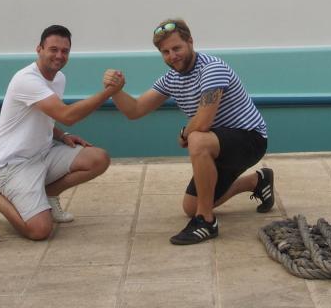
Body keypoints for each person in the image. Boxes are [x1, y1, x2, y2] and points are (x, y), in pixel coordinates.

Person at [104, 18, 274, 245]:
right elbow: (135, 110)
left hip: (249, 138)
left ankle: (206, 222)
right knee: (190, 206)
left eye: (177, 48)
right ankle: (256, 181)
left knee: (197, 139)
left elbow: (203, 121)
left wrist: (185, 133)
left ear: (190, 42)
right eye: (165, 52)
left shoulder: (212, 69)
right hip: (217, 143)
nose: (172, 56)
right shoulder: (171, 78)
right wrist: (115, 91)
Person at [0, 24, 119, 240]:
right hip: (15, 165)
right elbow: (67, 115)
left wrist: (63, 136)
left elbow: (43, 116)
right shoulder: (26, 80)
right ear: (39, 49)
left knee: (98, 158)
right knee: (39, 231)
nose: (59, 56)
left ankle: (49, 194)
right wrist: (108, 93)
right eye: (53, 49)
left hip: (44, 153)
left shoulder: (58, 78)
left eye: (65, 51)